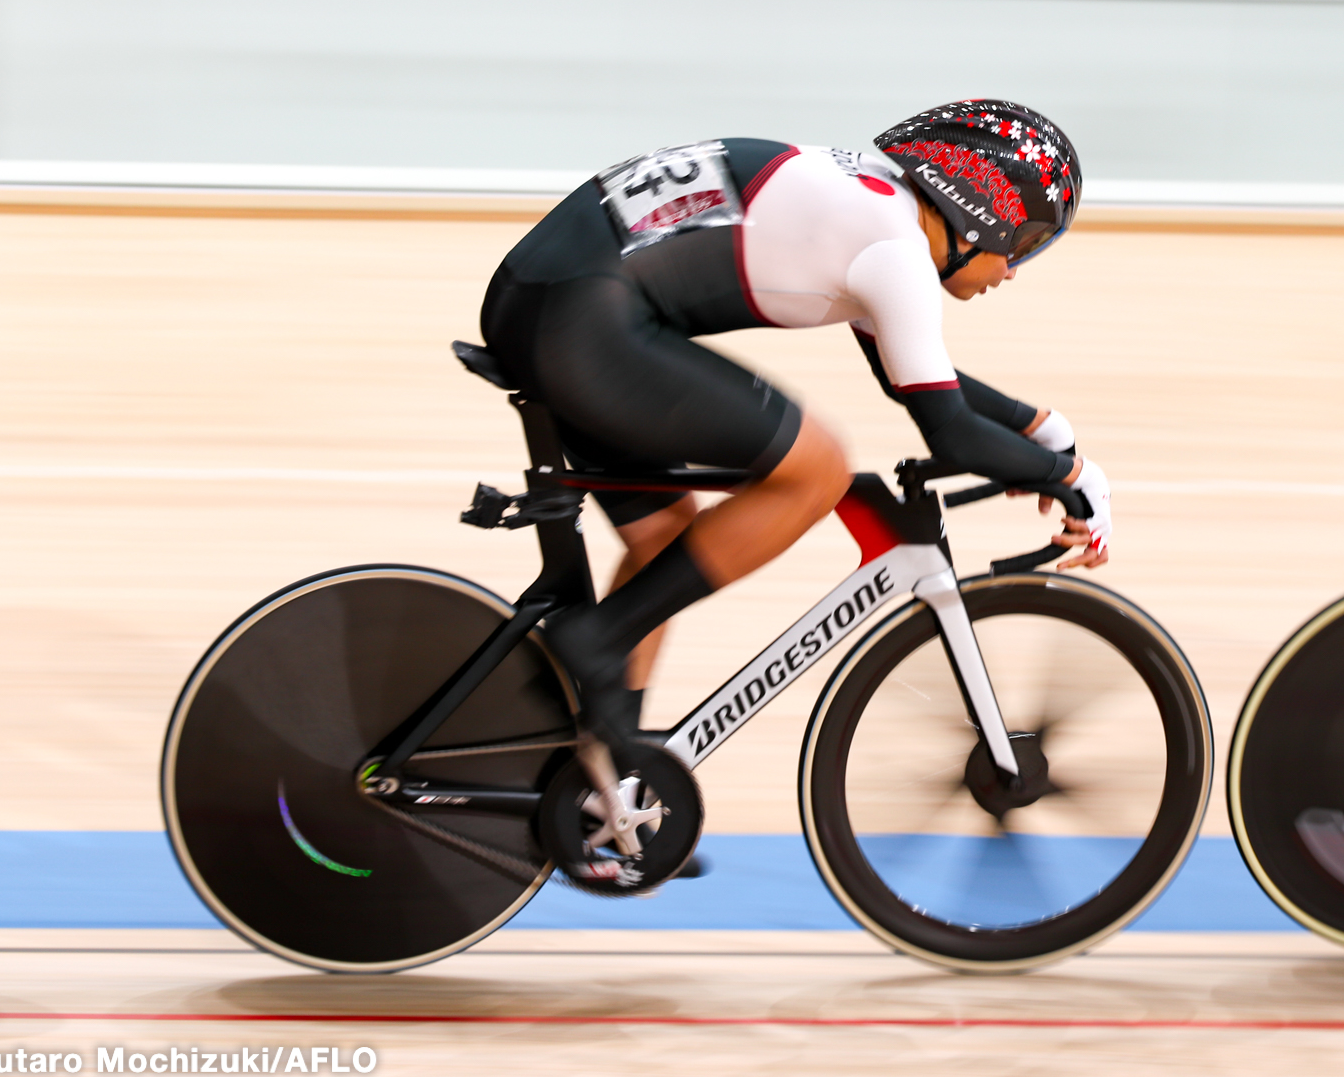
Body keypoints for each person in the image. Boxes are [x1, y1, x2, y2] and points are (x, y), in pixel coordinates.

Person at [475, 100, 1112, 760]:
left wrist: (1044, 429)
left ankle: (607, 777)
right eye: (1025, 243)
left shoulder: (878, 204)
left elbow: (915, 379)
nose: (1012, 270)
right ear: (980, 210)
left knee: (663, 537)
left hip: (548, 297)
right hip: (582, 320)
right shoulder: (895, 254)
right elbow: (949, 432)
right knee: (819, 467)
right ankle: (596, 639)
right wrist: (1071, 477)